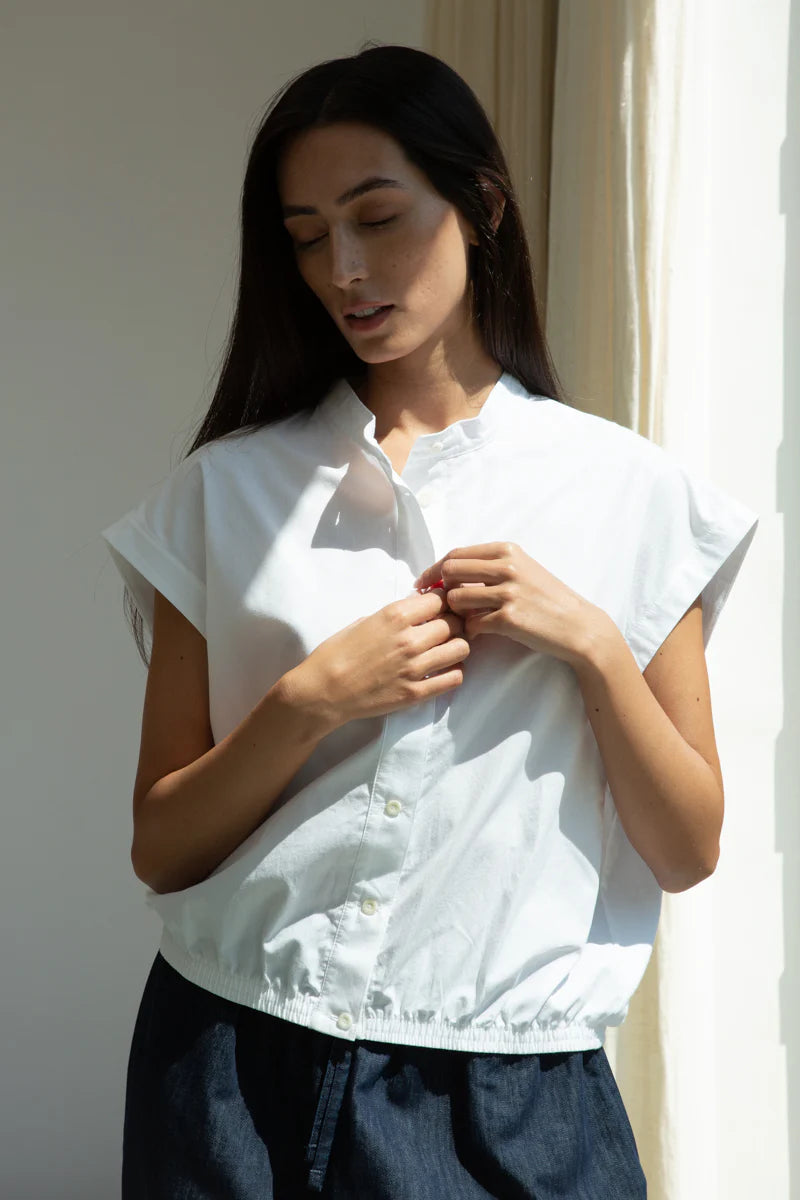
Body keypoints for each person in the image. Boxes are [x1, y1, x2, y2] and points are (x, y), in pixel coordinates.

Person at [101, 42, 759, 1200]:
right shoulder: (223, 495)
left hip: (512, 1100)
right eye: (306, 237)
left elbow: (684, 847)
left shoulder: (629, 493)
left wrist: (594, 647)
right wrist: (308, 702)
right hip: (228, 1071)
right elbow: (163, 845)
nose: (343, 268)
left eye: (377, 217)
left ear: (481, 206)